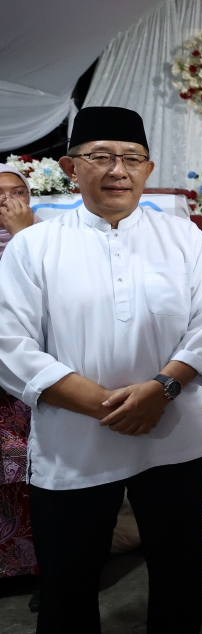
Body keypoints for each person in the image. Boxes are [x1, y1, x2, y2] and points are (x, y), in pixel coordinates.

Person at [0, 106, 202, 634]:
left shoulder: (183, 238)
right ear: (70, 167)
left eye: (130, 158)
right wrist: (108, 405)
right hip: (74, 441)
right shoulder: (36, 246)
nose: (117, 170)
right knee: (68, 582)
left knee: (178, 575)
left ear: (148, 169)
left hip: (170, 437)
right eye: (99, 157)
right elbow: (11, 344)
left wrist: (162, 389)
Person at [0, 164, 39, 584]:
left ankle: (40, 570)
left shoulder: (46, 241)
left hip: (27, 387)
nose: (8, 201)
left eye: (17, 192)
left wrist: (23, 236)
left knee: (30, 481)